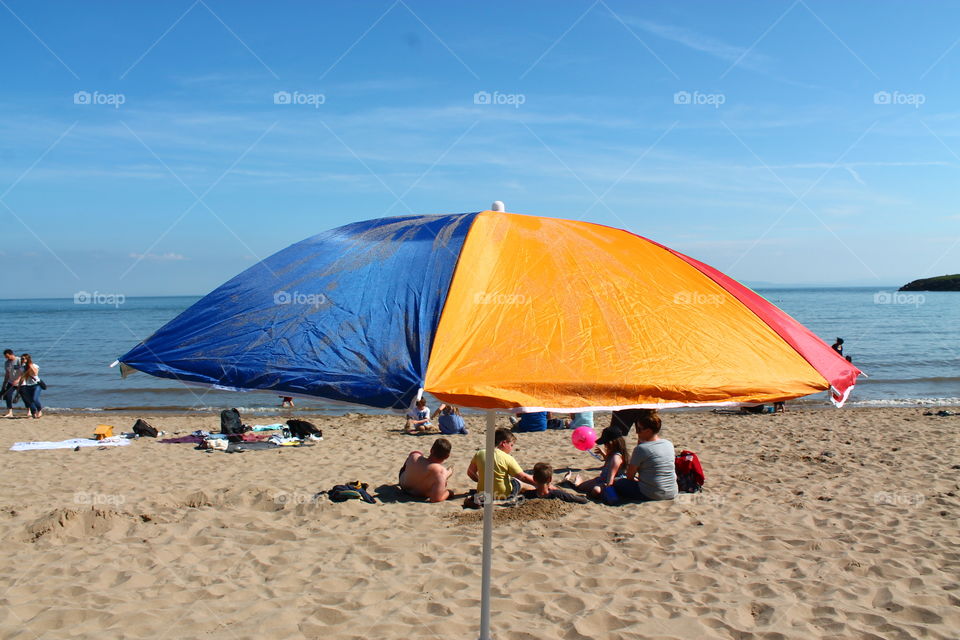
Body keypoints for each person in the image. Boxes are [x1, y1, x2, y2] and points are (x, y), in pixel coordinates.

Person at [608, 410, 677, 503]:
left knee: (619, 482)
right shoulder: (669, 444)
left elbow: (630, 477)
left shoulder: (641, 449)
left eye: (639, 429)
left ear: (648, 431)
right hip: (672, 491)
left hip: (651, 494)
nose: (637, 433)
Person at [466, 428, 536, 502]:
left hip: (483, 493)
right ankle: (539, 488)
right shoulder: (507, 458)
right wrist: (537, 483)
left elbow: (470, 473)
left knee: (523, 473)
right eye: (511, 445)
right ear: (504, 443)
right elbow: (523, 477)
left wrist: (480, 480)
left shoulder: (480, 453)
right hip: (503, 494)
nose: (511, 448)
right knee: (519, 482)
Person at [564, 428, 628, 499]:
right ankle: (577, 482)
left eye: (605, 443)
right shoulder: (614, 454)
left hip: (609, 482)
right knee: (581, 487)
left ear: (611, 443)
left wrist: (609, 491)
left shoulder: (616, 458)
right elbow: (609, 462)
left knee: (595, 490)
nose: (605, 446)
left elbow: (611, 478)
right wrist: (603, 454)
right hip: (602, 479)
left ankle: (576, 481)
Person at [398, 438, 454, 502]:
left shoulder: (414, 456)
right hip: (420, 494)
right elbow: (436, 499)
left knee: (416, 453)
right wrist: (449, 492)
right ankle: (447, 474)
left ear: (431, 450)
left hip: (403, 485)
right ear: (447, 456)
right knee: (442, 480)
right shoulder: (441, 471)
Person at [522, 463, 587, 504]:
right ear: (550, 479)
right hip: (561, 490)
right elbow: (582, 500)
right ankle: (568, 479)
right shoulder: (558, 494)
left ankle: (567, 478)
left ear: (534, 479)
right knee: (568, 484)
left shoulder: (528, 494)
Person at [16, 353, 42, 419]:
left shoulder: (34, 365)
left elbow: (35, 373)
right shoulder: (22, 368)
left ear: (28, 359)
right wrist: (18, 387)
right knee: (29, 401)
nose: (21, 359)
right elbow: (22, 378)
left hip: (36, 385)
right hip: (27, 385)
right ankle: (33, 413)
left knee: (35, 399)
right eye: (21, 358)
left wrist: (30, 365)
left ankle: (39, 410)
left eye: (23, 358)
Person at [2, 349, 20, 418]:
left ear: (11, 354)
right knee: (8, 396)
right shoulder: (7, 363)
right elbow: (7, 374)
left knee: (25, 397)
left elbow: (24, 371)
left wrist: (18, 380)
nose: (6, 358)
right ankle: (10, 412)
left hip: (21, 383)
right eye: (5, 357)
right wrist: (4, 384)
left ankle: (29, 411)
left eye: (7, 356)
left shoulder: (19, 360)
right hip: (11, 382)